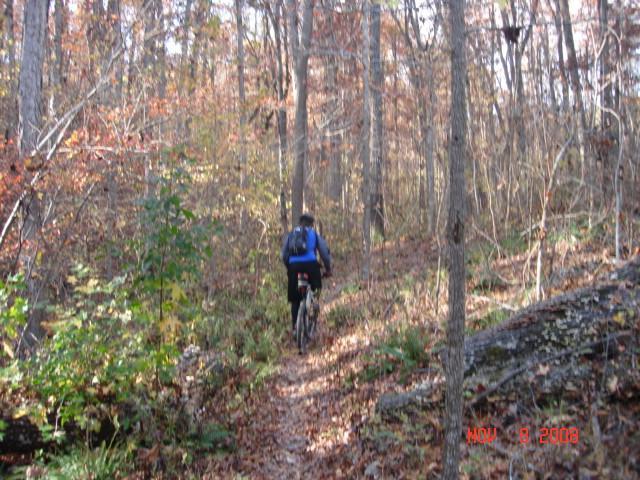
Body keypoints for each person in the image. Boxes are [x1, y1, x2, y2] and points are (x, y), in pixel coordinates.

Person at [281, 213, 332, 335]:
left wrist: (290, 267)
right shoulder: (314, 234)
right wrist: (328, 269)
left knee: (295, 299)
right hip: (311, 265)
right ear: (311, 224)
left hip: (294, 266)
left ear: (300, 222)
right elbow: (324, 253)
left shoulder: (292, 234)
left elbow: (284, 254)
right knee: (316, 289)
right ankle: (314, 308)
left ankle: (294, 328)